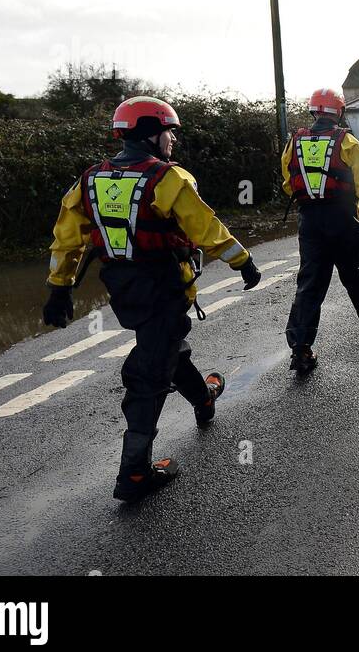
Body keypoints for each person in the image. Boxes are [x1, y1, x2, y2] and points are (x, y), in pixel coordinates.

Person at [43, 95, 262, 502]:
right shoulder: (169, 179)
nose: (172, 141)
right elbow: (206, 228)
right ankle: (135, 475)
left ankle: (204, 397)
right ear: (151, 134)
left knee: (166, 349)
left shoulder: (90, 179)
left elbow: (66, 239)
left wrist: (59, 286)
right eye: (169, 132)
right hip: (163, 286)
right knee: (147, 375)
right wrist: (243, 262)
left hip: (124, 290)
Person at [283, 87, 359, 375]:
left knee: (310, 283)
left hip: (310, 220)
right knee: (356, 273)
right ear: (339, 112)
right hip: (345, 218)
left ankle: (301, 350)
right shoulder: (348, 142)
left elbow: (288, 180)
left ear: (313, 111)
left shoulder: (294, 141)